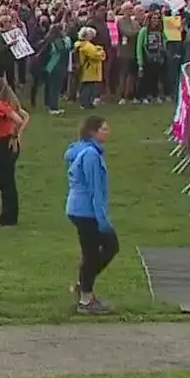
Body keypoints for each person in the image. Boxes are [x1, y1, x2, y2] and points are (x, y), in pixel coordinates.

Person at [66, 115, 117, 315]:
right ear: (93, 132)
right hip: (84, 211)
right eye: (104, 129)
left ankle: (84, 286)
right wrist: (102, 219)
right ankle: (85, 298)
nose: (108, 132)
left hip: (81, 209)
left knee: (98, 251)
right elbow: (94, 188)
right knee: (97, 251)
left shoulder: (90, 153)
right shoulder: (90, 155)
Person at [0, 76, 30, 228]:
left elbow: (19, 119)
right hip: (1, 145)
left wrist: (15, 135)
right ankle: (11, 217)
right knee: (6, 181)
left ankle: (6, 219)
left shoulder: (0, 105)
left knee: (6, 182)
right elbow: (25, 116)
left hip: (3, 145)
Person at [75, 27, 106, 109]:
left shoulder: (80, 44)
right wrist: (101, 51)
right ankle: (86, 103)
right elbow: (96, 55)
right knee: (89, 87)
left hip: (86, 68)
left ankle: (86, 102)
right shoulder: (87, 45)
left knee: (86, 87)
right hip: (89, 69)